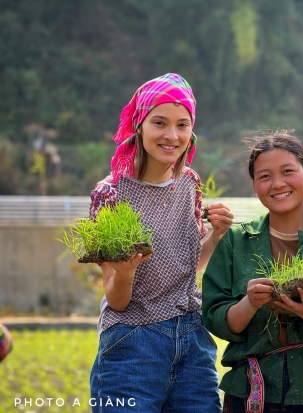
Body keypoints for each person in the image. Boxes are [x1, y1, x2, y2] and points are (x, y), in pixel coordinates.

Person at [88, 73, 234, 413]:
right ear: (139, 124)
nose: (172, 135)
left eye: (183, 125)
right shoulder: (110, 194)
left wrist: (216, 236)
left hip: (193, 340)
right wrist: (125, 272)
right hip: (133, 342)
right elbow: (118, 299)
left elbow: (189, 267)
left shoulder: (191, 184)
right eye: (159, 123)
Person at [202, 132, 303, 413]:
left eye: (287, 172)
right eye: (265, 176)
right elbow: (216, 320)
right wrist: (249, 303)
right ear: (254, 186)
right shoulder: (234, 242)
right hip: (250, 396)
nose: (277, 183)